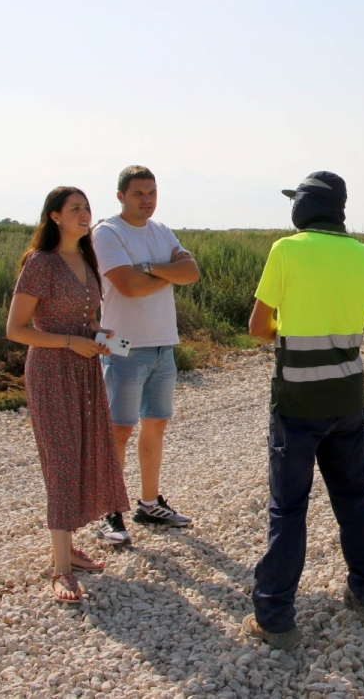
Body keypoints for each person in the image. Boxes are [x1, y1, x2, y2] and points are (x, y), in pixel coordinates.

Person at [242, 170, 364, 650]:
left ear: (303, 206)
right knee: (354, 499)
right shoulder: (362, 253)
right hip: (348, 399)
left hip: (296, 402)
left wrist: (286, 331)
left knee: (288, 509)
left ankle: (275, 619)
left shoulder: (286, 250)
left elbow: (256, 326)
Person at [5, 186, 129, 604]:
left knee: (81, 455)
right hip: (51, 372)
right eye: (75, 208)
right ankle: (60, 569)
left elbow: (83, 317)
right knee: (60, 460)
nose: (84, 213)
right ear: (54, 216)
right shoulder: (41, 263)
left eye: (87, 207)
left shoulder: (87, 259)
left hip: (85, 370)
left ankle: (69, 548)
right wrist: (68, 343)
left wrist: (97, 333)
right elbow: (16, 329)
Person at [92, 165, 200, 546]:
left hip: (161, 344)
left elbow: (192, 272)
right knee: (119, 430)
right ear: (120, 196)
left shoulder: (161, 231)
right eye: (138, 193)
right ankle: (108, 512)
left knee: (155, 424)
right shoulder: (107, 233)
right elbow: (129, 287)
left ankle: (149, 503)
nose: (147, 199)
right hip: (124, 347)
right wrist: (166, 274)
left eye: (151, 192)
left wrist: (152, 267)